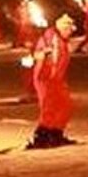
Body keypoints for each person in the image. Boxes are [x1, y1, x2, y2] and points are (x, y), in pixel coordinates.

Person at [28, 14, 77, 148]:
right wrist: (44, 53)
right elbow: (36, 54)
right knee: (49, 107)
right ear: (62, 28)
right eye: (68, 29)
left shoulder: (64, 41)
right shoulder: (50, 38)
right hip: (45, 78)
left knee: (66, 105)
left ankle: (56, 133)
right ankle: (41, 135)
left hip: (57, 78)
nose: (70, 32)